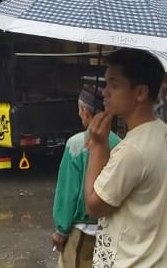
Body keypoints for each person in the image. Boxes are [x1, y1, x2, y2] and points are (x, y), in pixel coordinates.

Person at [83, 48, 167, 268]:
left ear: (140, 92)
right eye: (106, 83)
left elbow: (94, 205)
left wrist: (98, 147)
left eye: (114, 85)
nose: (105, 92)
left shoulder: (132, 150)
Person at [52, 86, 121, 268]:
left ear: (85, 111)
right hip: (111, 228)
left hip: (81, 231)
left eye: (80, 109)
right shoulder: (120, 144)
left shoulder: (76, 145)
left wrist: (61, 229)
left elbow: (68, 192)